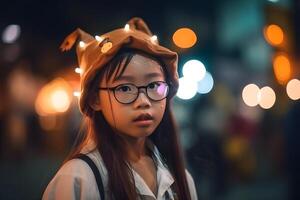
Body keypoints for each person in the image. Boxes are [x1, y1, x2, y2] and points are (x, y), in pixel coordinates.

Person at [42, 17, 198, 200]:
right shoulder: (77, 179)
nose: (144, 101)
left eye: (154, 85)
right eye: (124, 88)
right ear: (94, 99)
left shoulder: (181, 178)